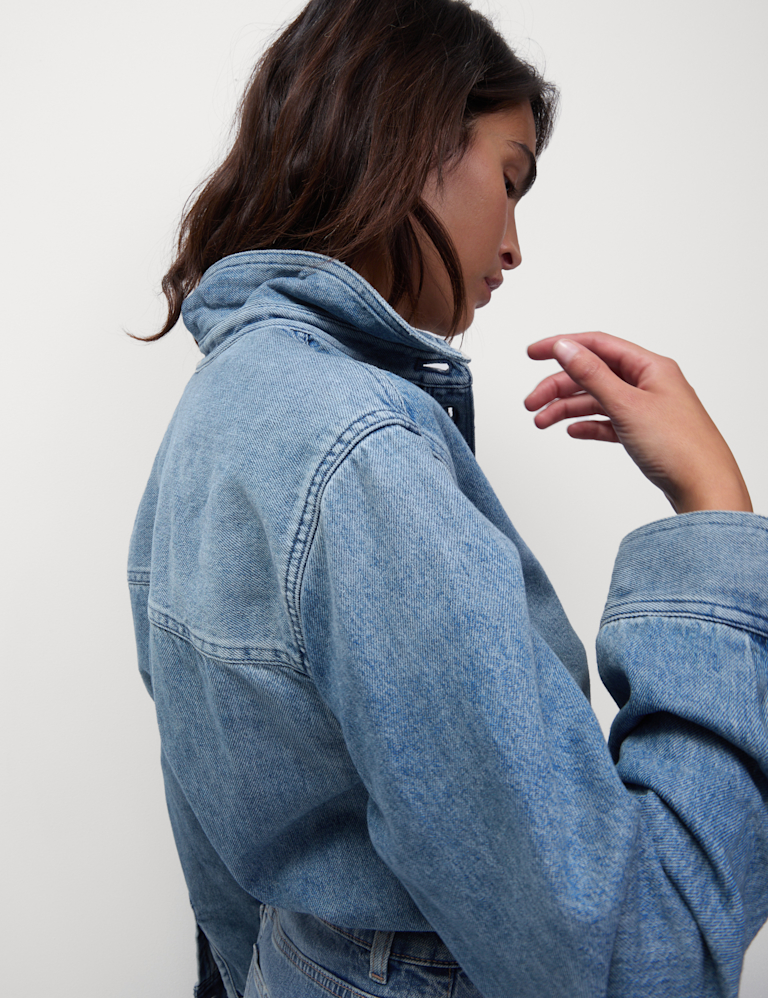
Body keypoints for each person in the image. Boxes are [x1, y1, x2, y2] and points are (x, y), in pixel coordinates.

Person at [127, 1, 768, 995]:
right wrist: (715, 506)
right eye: (509, 180)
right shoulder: (365, 452)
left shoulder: (225, 398)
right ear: (406, 136)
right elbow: (639, 960)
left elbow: (224, 869)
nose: (513, 246)